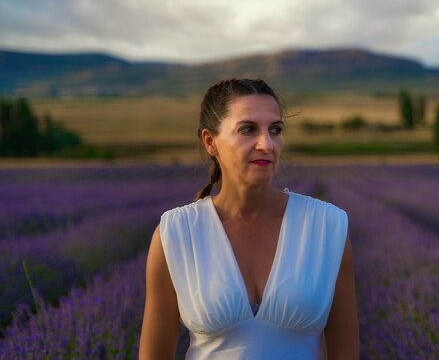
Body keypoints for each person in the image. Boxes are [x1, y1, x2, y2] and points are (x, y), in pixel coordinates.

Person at [139, 79, 359, 360]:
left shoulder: (327, 227)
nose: (266, 144)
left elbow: (345, 352)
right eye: (248, 129)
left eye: (275, 130)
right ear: (211, 142)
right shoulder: (176, 234)